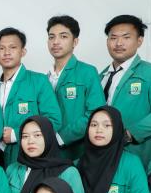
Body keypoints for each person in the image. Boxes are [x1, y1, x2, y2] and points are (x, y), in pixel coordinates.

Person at [99, 15, 151, 170]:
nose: (119, 43)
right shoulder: (101, 76)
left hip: (134, 155)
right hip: (100, 156)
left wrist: (129, 134)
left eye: (126, 37)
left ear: (139, 41)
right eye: (113, 37)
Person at [0, 27, 62, 167]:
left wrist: (16, 134)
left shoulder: (38, 81)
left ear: (23, 52)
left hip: (30, 159)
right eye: (1, 48)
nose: (7, 52)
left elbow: (54, 120)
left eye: (13, 47)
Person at [7, 116, 86, 193]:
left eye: (37, 135)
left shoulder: (68, 172)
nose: (30, 141)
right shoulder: (13, 169)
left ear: (48, 137)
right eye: (25, 136)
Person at [45, 16, 106, 160]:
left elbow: (95, 114)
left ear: (75, 42)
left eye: (63, 36)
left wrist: (61, 137)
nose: (56, 42)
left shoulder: (87, 72)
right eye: (51, 37)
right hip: (46, 151)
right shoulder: (44, 78)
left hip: (78, 152)